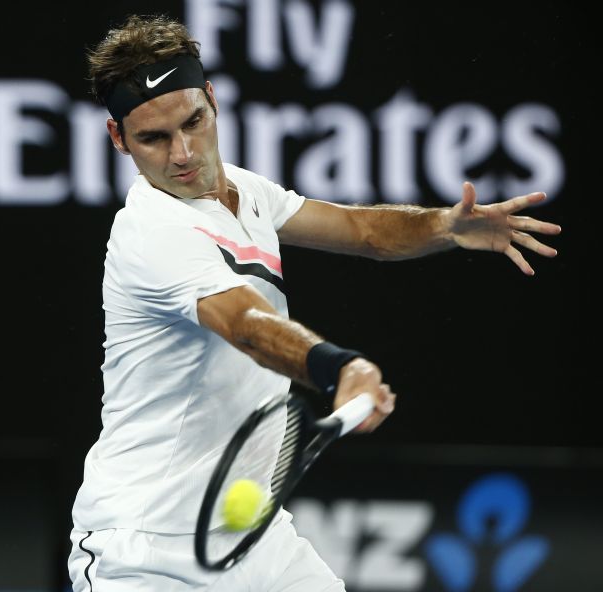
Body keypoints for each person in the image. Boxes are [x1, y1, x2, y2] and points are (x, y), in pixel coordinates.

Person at [67, 14, 561, 592]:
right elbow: (244, 322)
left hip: (255, 535)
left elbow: (363, 231)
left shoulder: (246, 192)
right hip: (145, 550)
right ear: (118, 138)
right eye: (153, 138)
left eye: (192, 123)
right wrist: (339, 366)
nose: (183, 153)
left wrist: (444, 227)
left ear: (211, 100)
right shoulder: (153, 230)